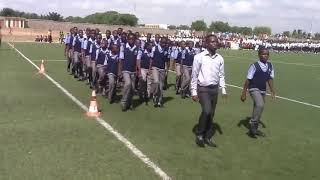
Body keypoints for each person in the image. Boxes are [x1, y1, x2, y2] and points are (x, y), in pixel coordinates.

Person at [191, 34, 227, 148]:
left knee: (211, 114)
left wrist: (223, 90)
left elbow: (221, 75)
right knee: (206, 110)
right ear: (206, 44)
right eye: (212, 42)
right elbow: (194, 75)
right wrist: (193, 92)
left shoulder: (220, 58)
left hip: (214, 89)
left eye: (216, 41)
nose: (215, 43)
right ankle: (200, 134)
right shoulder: (199, 57)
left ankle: (207, 136)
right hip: (203, 89)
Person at [240, 47, 276, 138]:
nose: (265, 56)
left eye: (267, 54)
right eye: (263, 54)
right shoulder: (254, 66)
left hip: (263, 89)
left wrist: (272, 90)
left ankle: (254, 130)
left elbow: (270, 79)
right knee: (260, 104)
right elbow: (248, 80)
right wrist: (244, 92)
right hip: (253, 88)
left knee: (258, 108)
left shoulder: (270, 65)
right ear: (259, 55)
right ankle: (252, 124)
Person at [119, 33, 139, 111]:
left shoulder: (137, 48)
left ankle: (130, 103)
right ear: (127, 39)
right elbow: (121, 60)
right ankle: (123, 102)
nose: (131, 40)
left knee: (132, 89)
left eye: (133, 39)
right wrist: (120, 71)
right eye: (129, 39)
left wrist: (138, 70)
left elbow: (137, 61)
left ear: (134, 40)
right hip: (125, 70)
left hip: (133, 71)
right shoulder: (123, 47)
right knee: (128, 84)